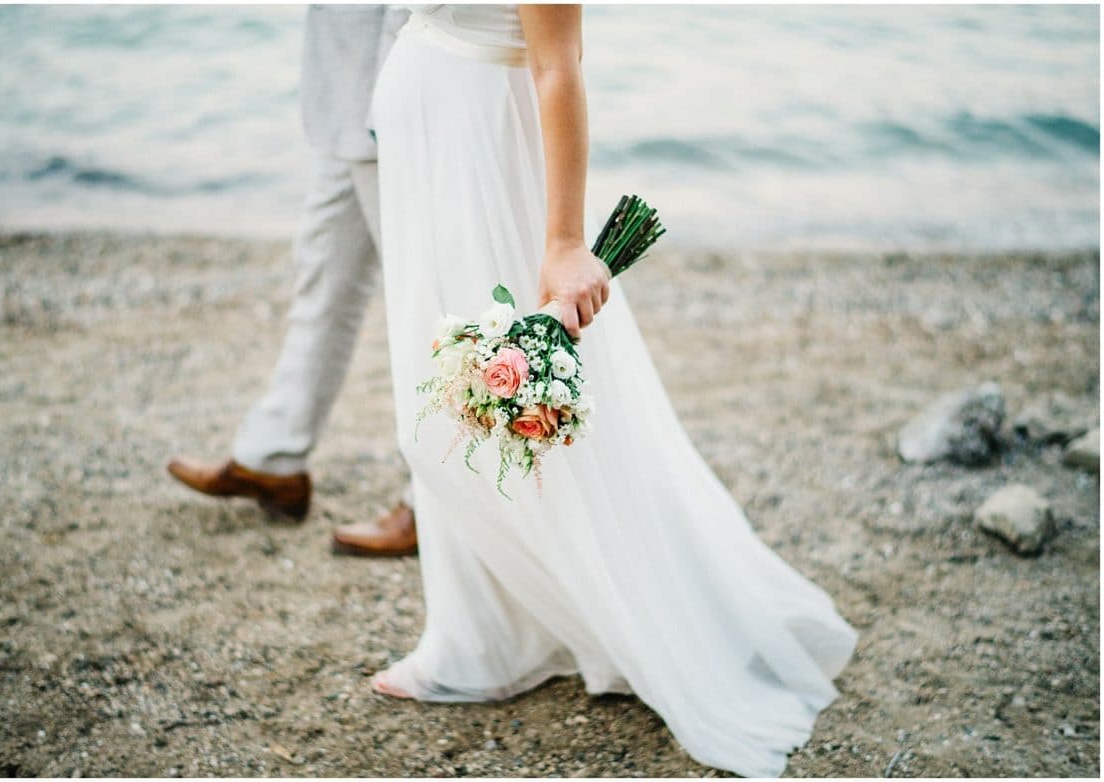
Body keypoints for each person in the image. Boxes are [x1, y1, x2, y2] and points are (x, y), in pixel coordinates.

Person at [364, 4, 859, 777]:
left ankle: (505, 639)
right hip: (432, 147)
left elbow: (557, 64)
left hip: (482, 158)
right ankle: (486, 636)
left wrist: (564, 242)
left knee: (475, 408)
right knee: (447, 401)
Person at [166, 6, 418, 557]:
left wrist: (394, 103)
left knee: (420, 303)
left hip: (388, 97)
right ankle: (273, 457)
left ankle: (431, 501)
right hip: (344, 100)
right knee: (324, 278)